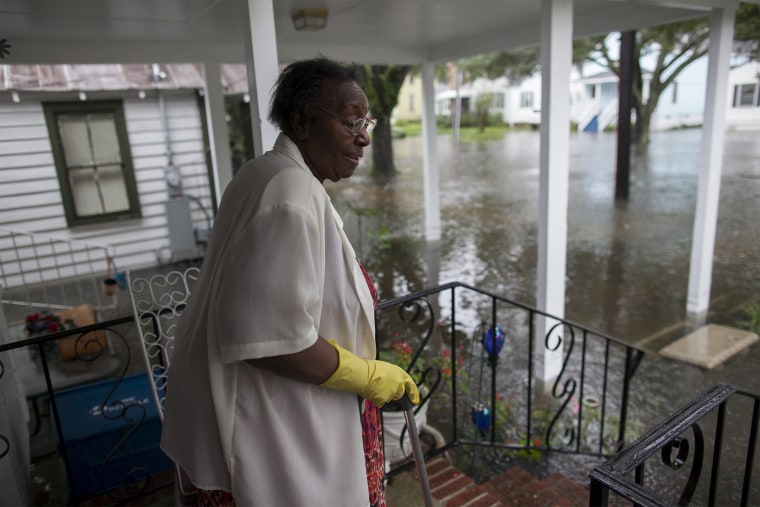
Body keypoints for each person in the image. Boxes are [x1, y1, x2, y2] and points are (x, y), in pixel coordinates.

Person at [160, 57, 420, 506]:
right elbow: (274, 340)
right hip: (279, 430)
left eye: (367, 121)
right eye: (351, 122)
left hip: (280, 416)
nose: (364, 136)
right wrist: (369, 375)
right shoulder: (291, 193)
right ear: (303, 122)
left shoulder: (263, 172)